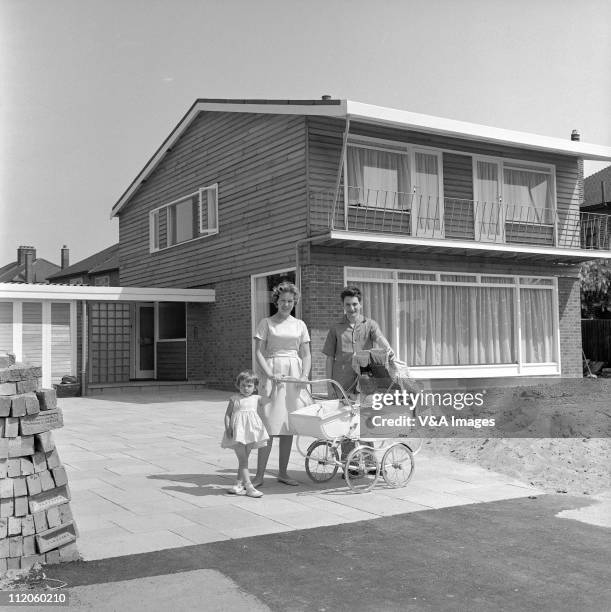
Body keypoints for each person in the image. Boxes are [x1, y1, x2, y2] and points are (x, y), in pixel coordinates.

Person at [322, 286, 394, 461]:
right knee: (345, 421)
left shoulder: (369, 324)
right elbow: (329, 358)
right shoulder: (336, 328)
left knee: (365, 419)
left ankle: (369, 461)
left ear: (360, 304)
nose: (351, 308)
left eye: (355, 304)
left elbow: (379, 338)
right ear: (343, 305)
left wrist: (388, 348)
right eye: (348, 305)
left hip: (365, 379)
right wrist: (329, 384)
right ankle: (350, 463)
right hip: (342, 381)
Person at [252, 281, 311, 487]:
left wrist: (304, 375)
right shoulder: (266, 323)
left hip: (294, 376)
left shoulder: (300, 325)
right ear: (276, 301)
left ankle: (283, 473)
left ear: (295, 301)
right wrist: (268, 374)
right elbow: (259, 352)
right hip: (273, 374)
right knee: (269, 425)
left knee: (288, 425)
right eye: (283, 300)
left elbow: (306, 354)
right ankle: (259, 476)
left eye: (290, 301)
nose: (286, 304)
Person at [221, 370, 269, 498]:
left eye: (249, 386)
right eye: (243, 385)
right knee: (243, 460)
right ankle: (249, 487)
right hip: (238, 432)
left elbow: (270, 399)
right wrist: (228, 428)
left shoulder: (256, 398)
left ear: (255, 387)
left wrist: (275, 385)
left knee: (244, 461)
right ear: (238, 385)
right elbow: (227, 415)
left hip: (251, 432)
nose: (246, 388)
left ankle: (238, 484)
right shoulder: (234, 399)